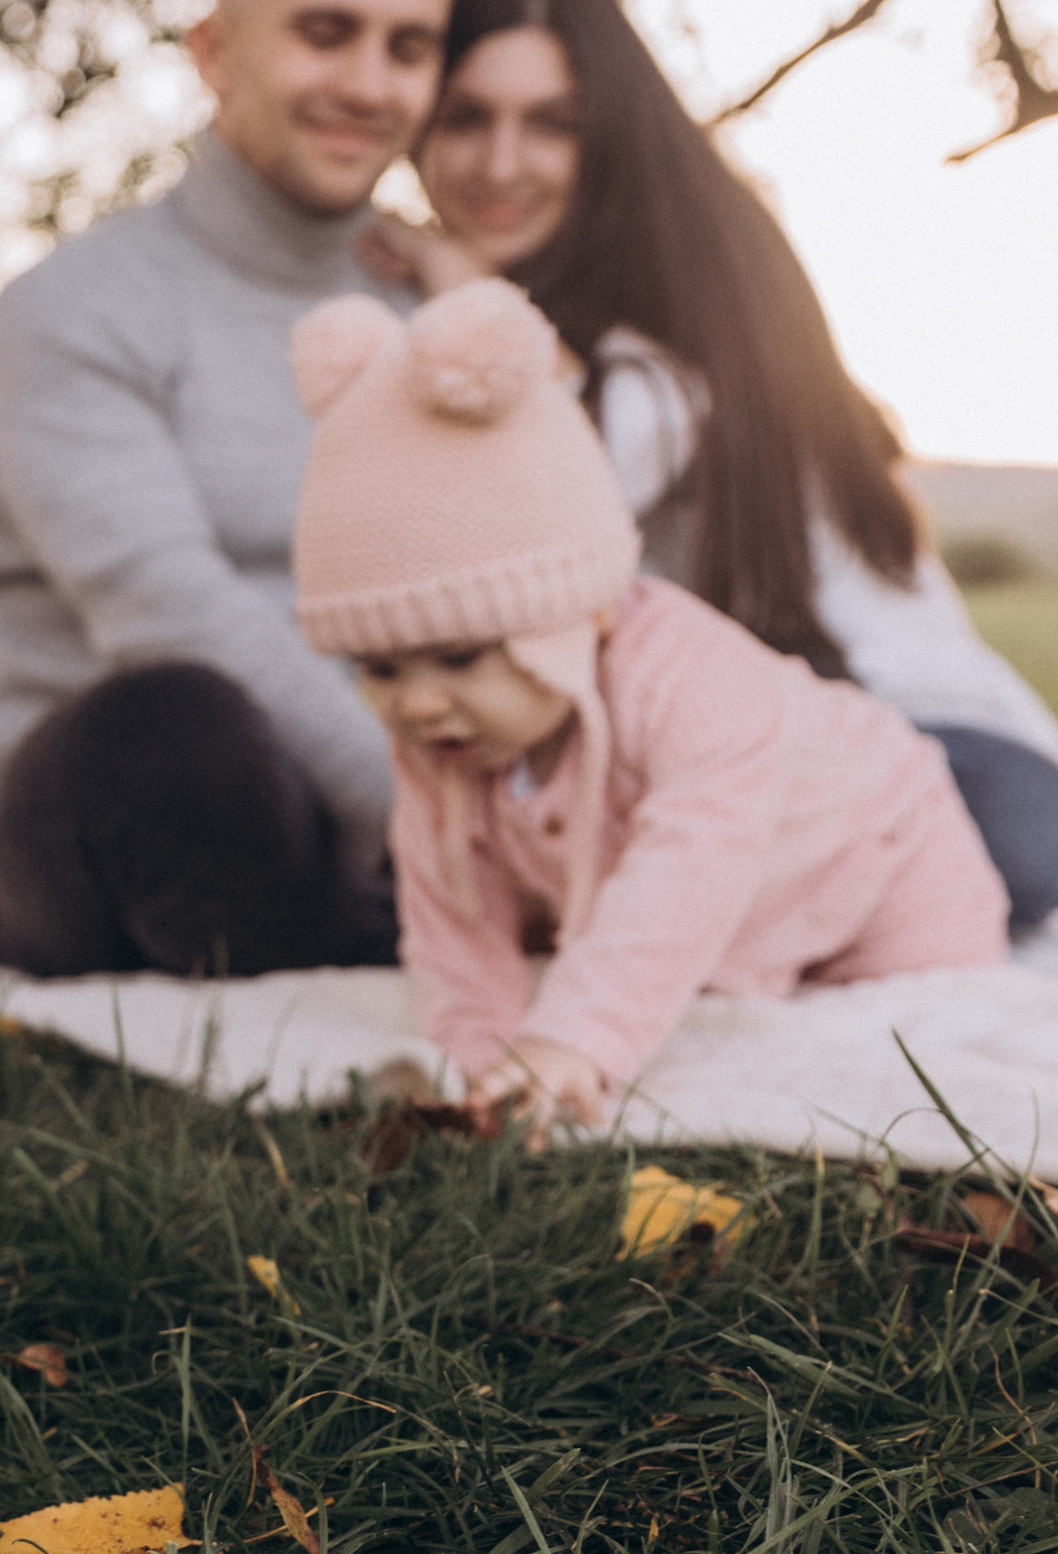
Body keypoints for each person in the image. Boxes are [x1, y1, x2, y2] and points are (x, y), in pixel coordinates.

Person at [365, 0, 1058, 935]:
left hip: (922, 739)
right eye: (466, 118)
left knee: (1001, 840)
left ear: (608, 141)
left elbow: (537, 519)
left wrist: (454, 283)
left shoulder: (647, 352)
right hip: (770, 750)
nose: (499, 162)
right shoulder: (577, 309)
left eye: (552, 124)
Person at [288, 278, 1010, 1129]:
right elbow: (454, 913)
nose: (415, 703)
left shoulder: (697, 685)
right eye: (378, 668)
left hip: (887, 857)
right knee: (735, 1026)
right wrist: (481, 1060)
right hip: (738, 923)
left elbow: (687, 871)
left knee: (931, 1049)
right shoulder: (447, 741)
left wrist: (574, 1038)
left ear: (587, 611)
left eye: (459, 657)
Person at [0, 0, 450, 977]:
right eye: (325, 33)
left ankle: (380, 920)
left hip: (366, 809)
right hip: (87, 815)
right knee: (173, 732)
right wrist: (448, 828)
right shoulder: (75, 307)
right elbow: (165, 608)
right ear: (216, 51)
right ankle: (409, 914)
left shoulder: (433, 308)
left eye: (409, 48)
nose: (369, 83)